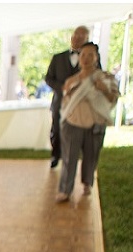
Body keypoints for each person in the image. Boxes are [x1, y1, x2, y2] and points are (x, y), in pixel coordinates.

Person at [55, 42, 119, 203]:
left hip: (95, 124)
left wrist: (102, 89)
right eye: (83, 55)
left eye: (90, 55)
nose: (86, 58)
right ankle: (65, 190)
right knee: (69, 158)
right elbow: (65, 102)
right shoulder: (71, 80)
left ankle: (87, 183)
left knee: (91, 156)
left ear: (96, 58)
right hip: (72, 123)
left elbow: (113, 99)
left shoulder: (105, 77)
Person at [45, 26, 91, 168]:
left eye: (81, 37)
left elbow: (95, 76)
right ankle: (55, 155)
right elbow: (48, 78)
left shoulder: (91, 59)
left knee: (76, 132)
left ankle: (73, 159)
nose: (76, 39)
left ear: (86, 40)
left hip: (80, 104)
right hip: (60, 101)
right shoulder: (57, 58)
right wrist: (63, 88)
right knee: (57, 129)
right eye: (75, 36)